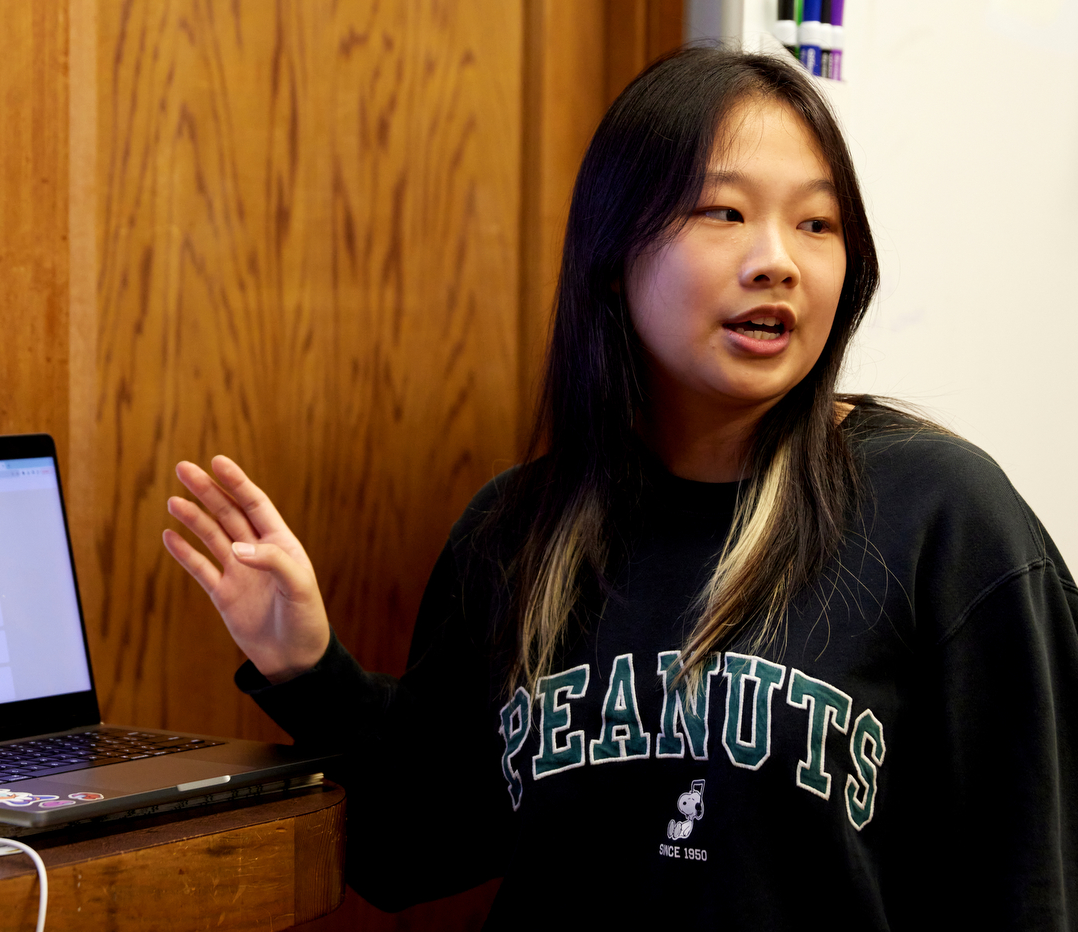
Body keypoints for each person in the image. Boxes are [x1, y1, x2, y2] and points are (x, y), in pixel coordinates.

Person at [161, 47, 1077, 929]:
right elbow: (413, 853)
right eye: (722, 213)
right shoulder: (518, 530)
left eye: (817, 223)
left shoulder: (945, 516)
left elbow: (1037, 883)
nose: (778, 261)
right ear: (614, 252)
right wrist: (305, 666)